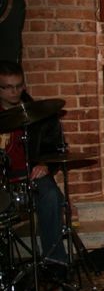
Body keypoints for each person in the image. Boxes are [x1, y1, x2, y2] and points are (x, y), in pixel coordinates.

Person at [0, 60, 67, 265]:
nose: (15, 92)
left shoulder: (39, 114)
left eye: (19, 86)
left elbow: (57, 147)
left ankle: (55, 262)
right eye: (8, 87)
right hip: (3, 179)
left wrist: (45, 165)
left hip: (31, 175)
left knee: (51, 195)